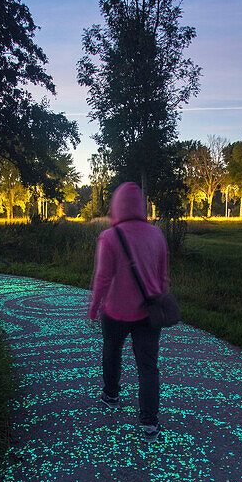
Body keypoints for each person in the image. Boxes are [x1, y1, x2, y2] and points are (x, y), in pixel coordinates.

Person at [87, 182, 170, 440]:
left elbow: (102, 278)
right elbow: (162, 275)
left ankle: (111, 396)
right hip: (148, 313)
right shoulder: (156, 235)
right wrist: (161, 300)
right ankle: (149, 422)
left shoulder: (109, 237)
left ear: (117, 206)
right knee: (148, 366)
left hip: (114, 311)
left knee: (112, 352)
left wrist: (94, 307)